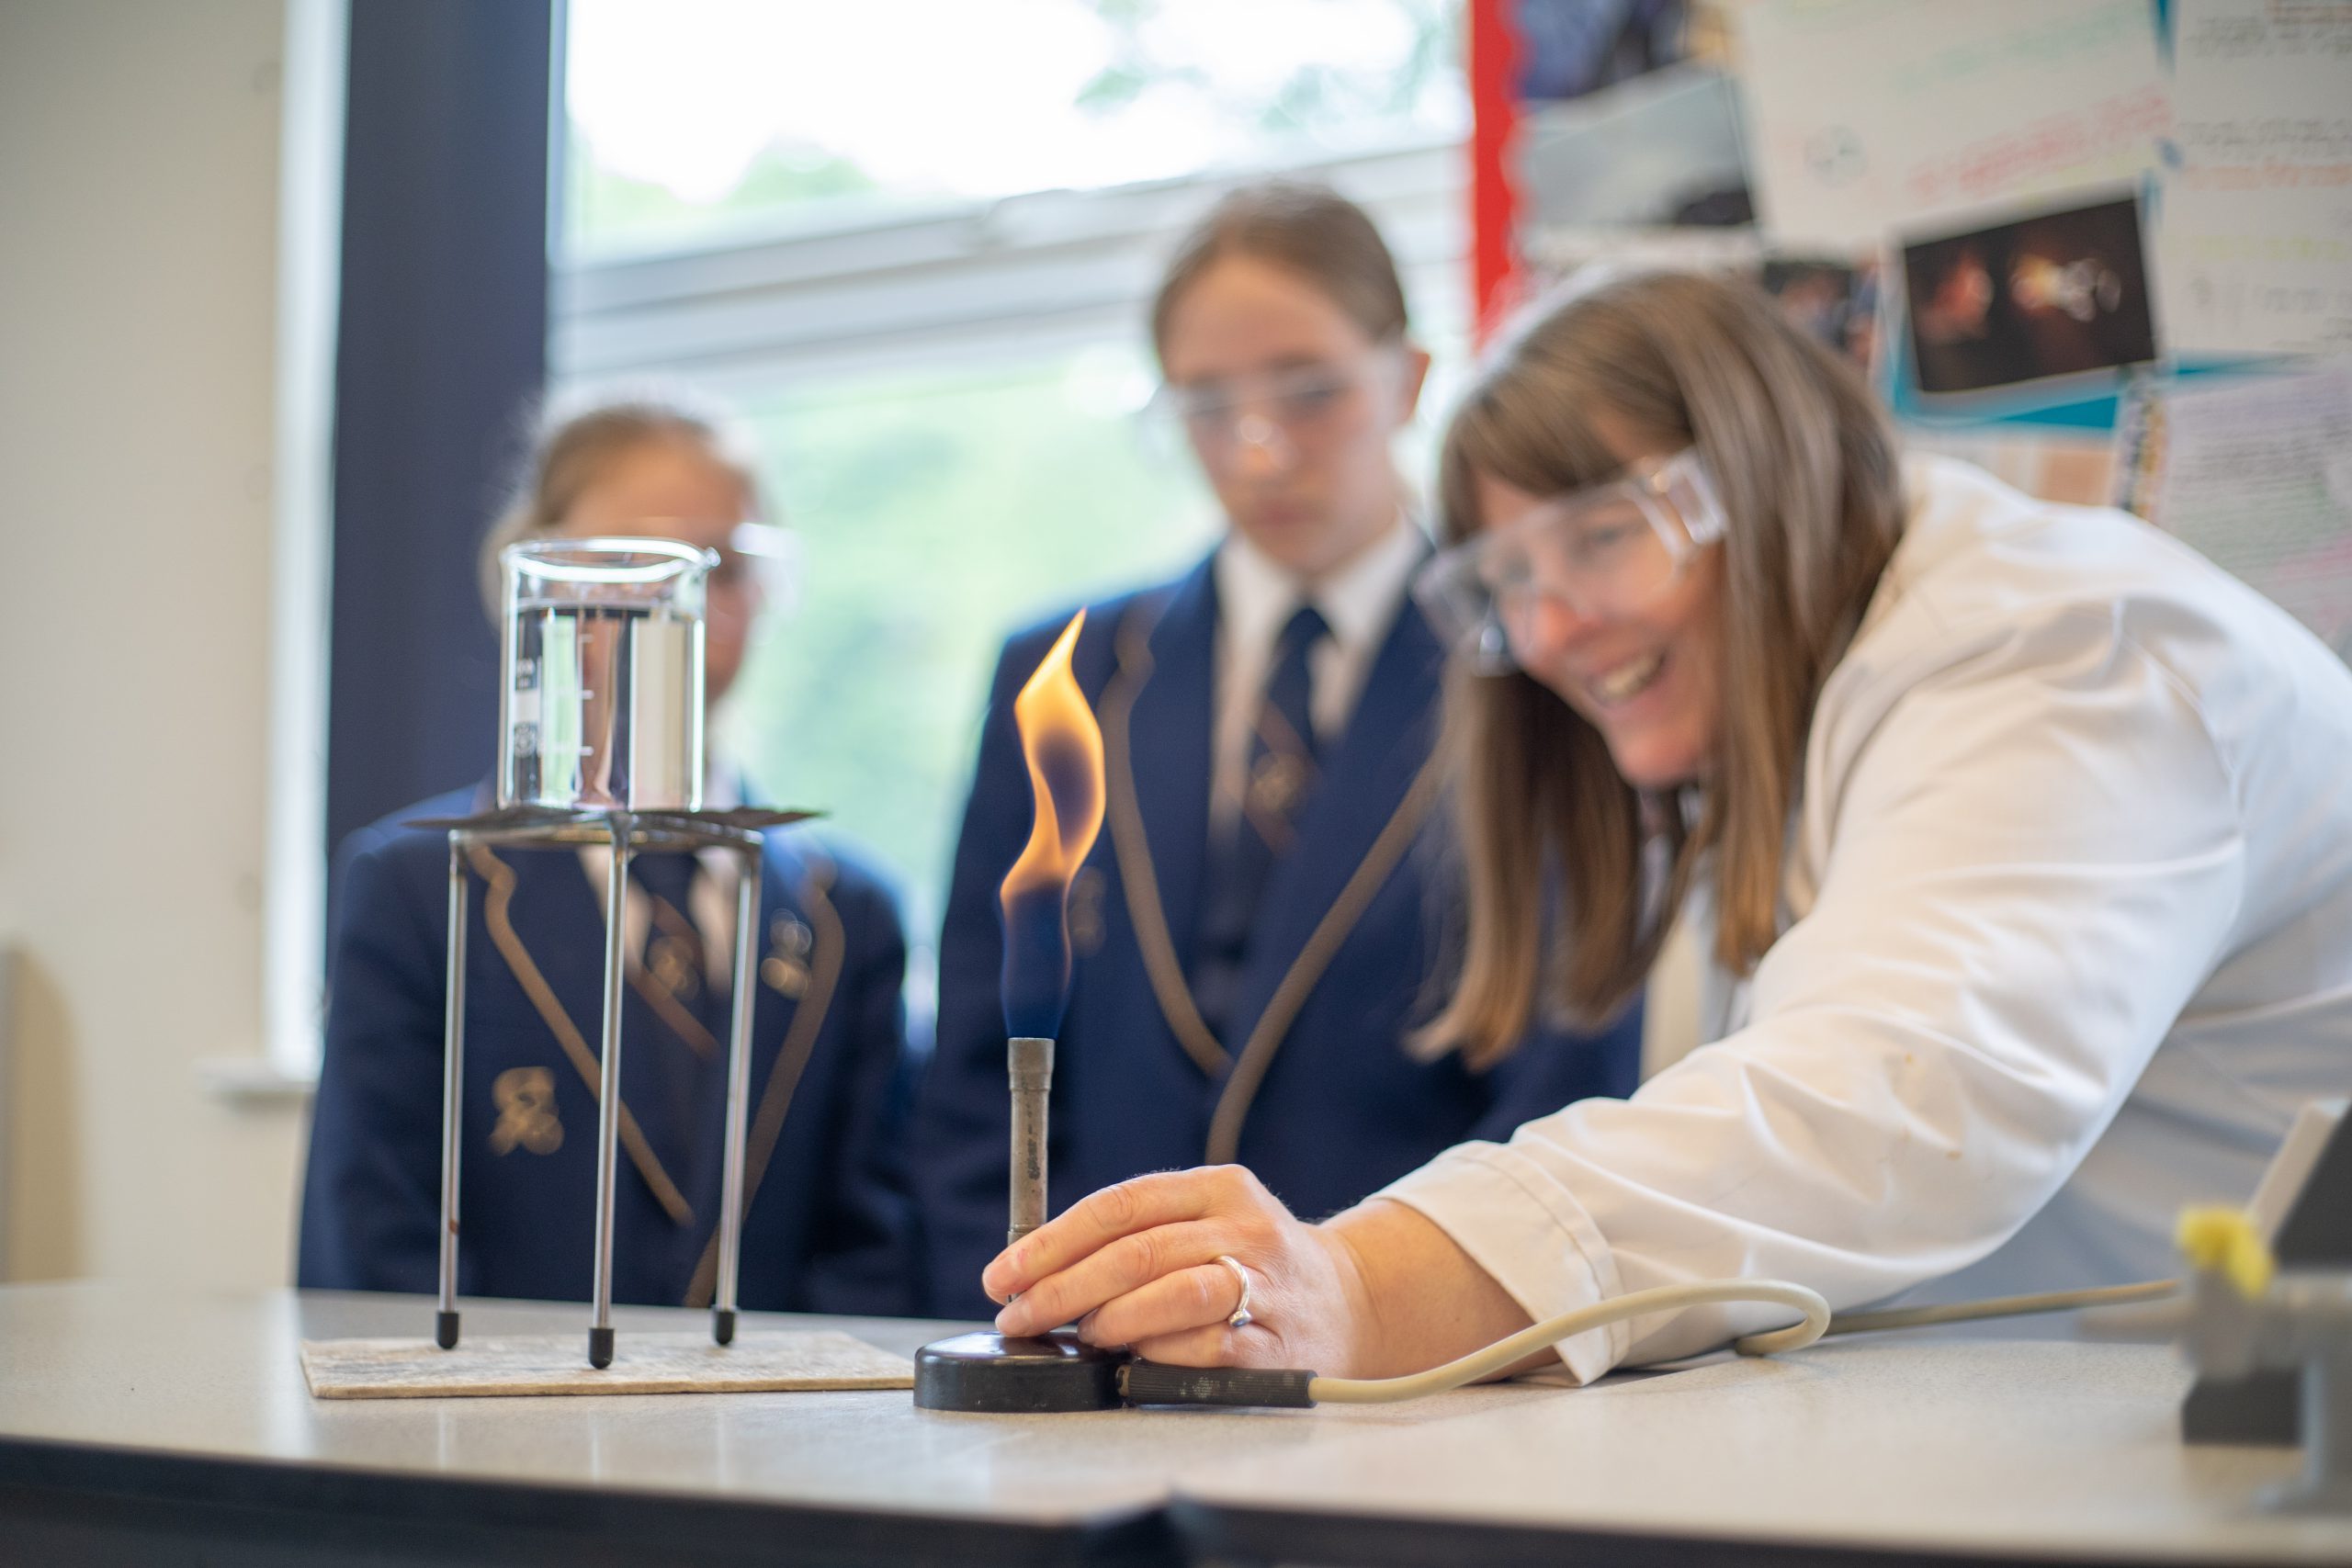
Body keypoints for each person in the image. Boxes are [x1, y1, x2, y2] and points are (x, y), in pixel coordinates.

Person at [979, 269, 2352, 1382]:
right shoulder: (1764, 724)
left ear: (1764, 475)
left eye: (1603, 536)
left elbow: (1885, 1103)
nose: (1556, 628)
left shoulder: (2064, 652)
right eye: (1510, 578)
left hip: (2251, 1432)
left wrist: (1361, 1283)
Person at [910, 182, 1644, 1320]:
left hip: (1411, 1363)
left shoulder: (1534, 653)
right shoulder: (1062, 674)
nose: (1260, 455)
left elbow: (1564, 1064)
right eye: (1206, 407)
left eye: (1309, 394)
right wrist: (1009, 1321)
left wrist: (1439, 1330)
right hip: (1089, 1350)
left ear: (1405, 379)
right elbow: (976, 1061)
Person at [298, 390, 917, 1315]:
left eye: (724, 566)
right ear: (536, 583)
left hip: (777, 1436)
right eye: (626, 566)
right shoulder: (421, 888)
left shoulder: (848, 913)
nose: (682, 608)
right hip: (493, 1440)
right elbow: (370, 1239)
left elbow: (882, 1241)